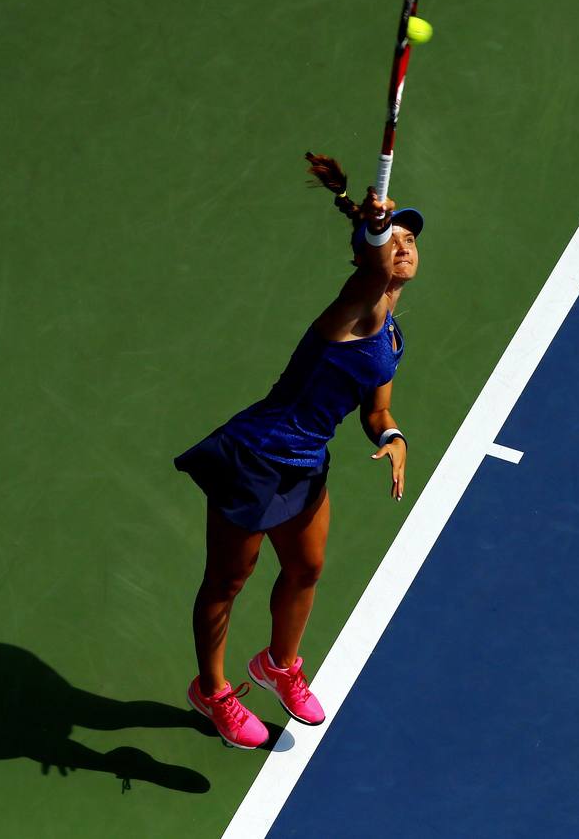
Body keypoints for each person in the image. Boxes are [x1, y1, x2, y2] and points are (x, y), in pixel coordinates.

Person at [174, 152, 420, 748]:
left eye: (413, 239)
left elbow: (375, 409)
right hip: (255, 457)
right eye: (398, 239)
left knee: (306, 568)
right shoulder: (353, 311)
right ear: (368, 255)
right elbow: (370, 265)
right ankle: (212, 691)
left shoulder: (388, 333)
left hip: (306, 462)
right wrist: (374, 226)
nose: (408, 246)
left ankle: (278, 665)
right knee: (229, 581)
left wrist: (392, 437)